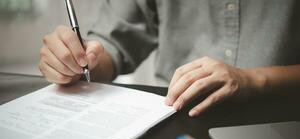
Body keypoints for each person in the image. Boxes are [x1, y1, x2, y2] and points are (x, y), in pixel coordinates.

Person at [39, 0, 300, 117]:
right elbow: (115, 42)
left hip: (281, 117)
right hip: (172, 115)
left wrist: (252, 79)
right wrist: (77, 61)